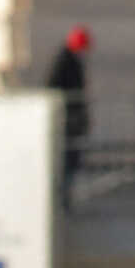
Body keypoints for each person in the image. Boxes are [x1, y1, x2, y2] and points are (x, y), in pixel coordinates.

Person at [47, 25, 91, 191]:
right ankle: (63, 195)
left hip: (73, 118)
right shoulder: (65, 61)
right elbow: (54, 86)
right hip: (68, 119)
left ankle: (66, 194)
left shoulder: (70, 60)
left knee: (71, 160)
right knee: (66, 160)